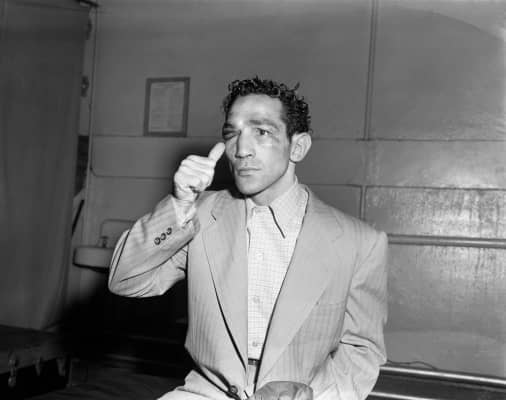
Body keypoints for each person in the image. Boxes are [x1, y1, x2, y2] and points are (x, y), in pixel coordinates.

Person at [108, 77, 388, 400]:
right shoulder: (198, 216)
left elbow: (362, 350)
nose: (241, 150)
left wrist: (311, 394)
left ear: (298, 147)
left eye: (262, 132)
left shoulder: (359, 243)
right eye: (232, 134)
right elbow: (125, 280)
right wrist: (180, 204)